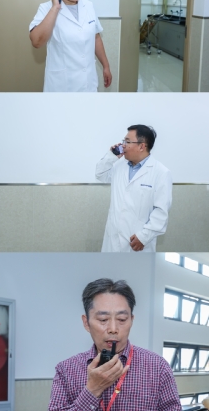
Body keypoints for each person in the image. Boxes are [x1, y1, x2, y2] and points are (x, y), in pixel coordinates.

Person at [48, 279, 181, 410]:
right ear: (86, 323)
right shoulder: (66, 371)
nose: (113, 329)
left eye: (121, 319)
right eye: (103, 319)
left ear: (131, 320)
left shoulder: (158, 367)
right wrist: (93, 389)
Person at [29, 0, 112, 92]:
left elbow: (95, 37)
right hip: (62, 86)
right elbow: (36, 42)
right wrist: (55, 8)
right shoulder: (46, 9)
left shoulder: (88, 6)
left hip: (88, 83)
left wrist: (106, 66)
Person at [96, 125, 172, 253]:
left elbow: (161, 211)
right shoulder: (119, 166)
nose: (123, 145)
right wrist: (111, 155)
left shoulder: (161, 173)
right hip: (112, 240)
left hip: (137, 243)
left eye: (127, 141)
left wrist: (144, 237)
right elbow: (100, 174)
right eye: (123, 141)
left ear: (142, 146)